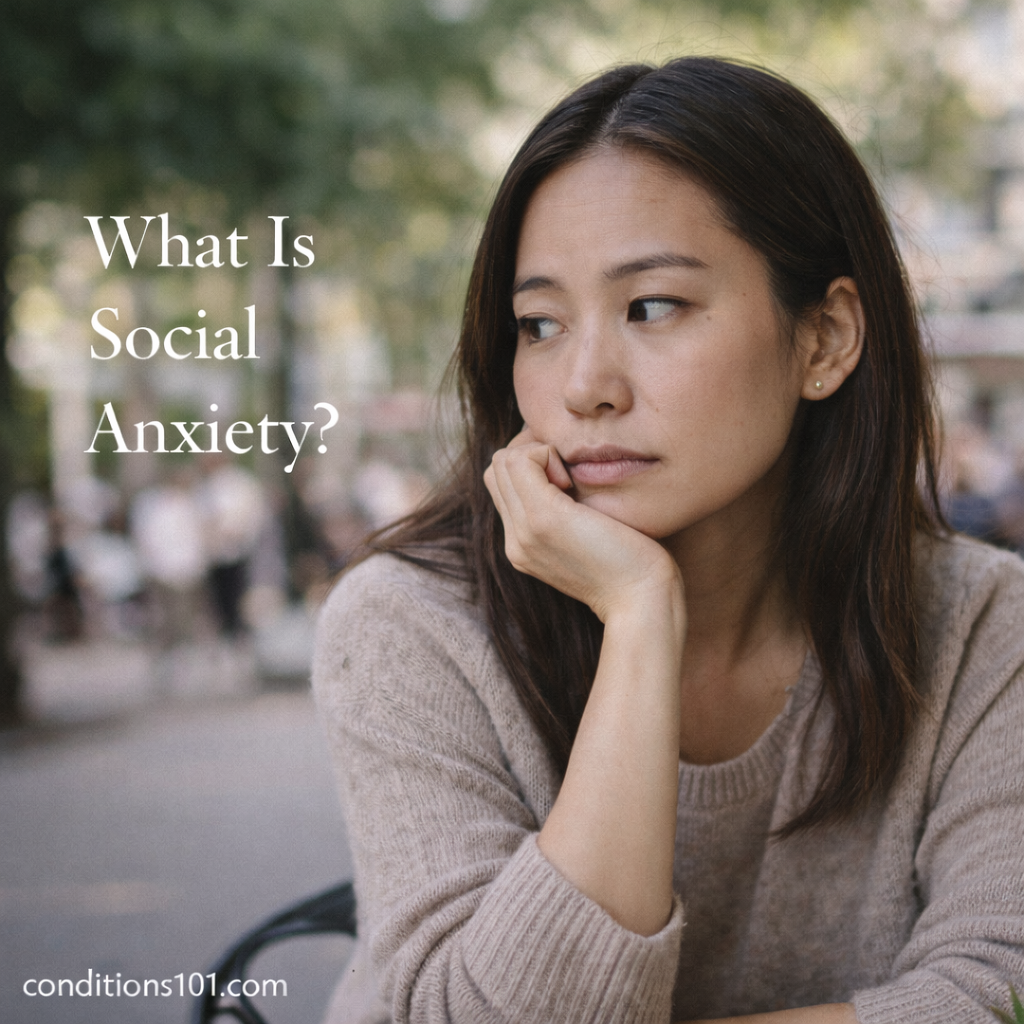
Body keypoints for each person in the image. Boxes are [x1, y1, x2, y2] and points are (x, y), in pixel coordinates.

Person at [312, 57, 1024, 1024]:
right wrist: (642, 618)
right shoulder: (410, 622)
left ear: (825, 340)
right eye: (539, 323)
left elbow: (998, 994)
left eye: (652, 306)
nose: (585, 386)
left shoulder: (984, 629)